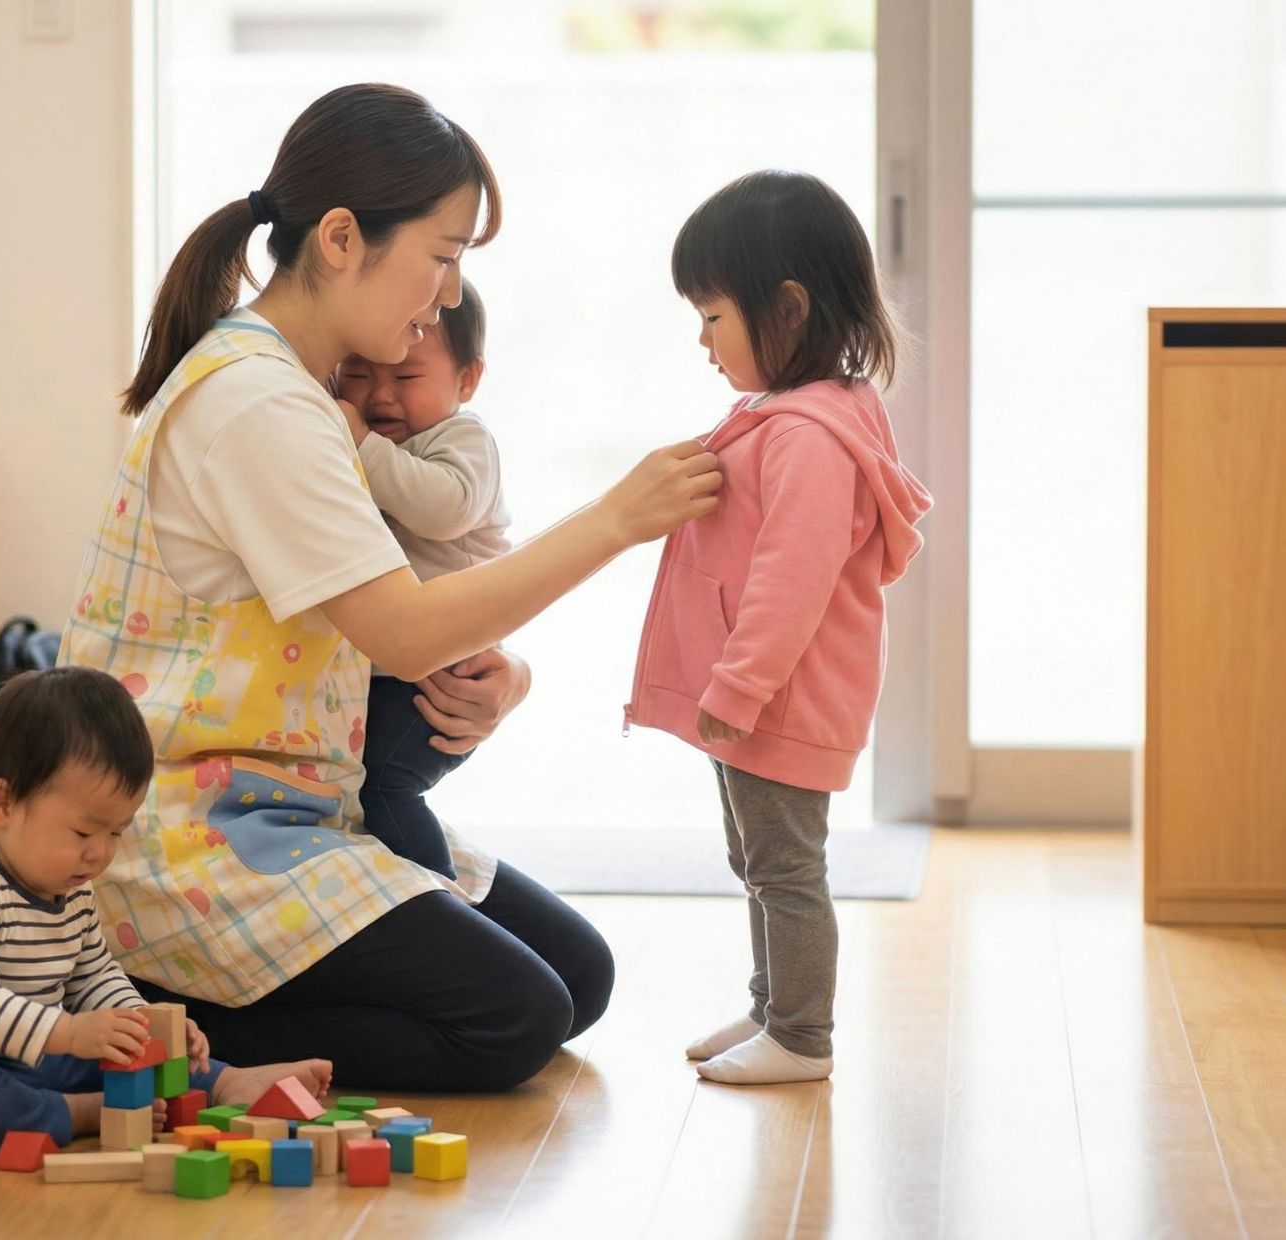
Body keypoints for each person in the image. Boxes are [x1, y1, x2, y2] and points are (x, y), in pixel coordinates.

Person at [62, 83, 722, 1091]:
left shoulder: (299, 391)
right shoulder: (259, 403)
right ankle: (164, 1026)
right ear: (340, 239)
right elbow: (404, 632)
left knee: (577, 979)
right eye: (443, 256)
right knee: (517, 1018)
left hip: (292, 804)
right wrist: (613, 520)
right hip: (196, 838)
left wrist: (506, 676)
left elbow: (393, 614)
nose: (447, 296)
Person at [626, 170, 932, 1085]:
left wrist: (738, 688)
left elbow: (789, 583)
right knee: (757, 858)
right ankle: (772, 1008)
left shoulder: (808, 437)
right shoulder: (789, 417)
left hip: (777, 701)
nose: (703, 341)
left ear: (788, 310)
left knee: (786, 870)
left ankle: (801, 1037)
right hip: (761, 697)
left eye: (713, 316)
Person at [0, 666, 331, 1153]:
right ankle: (77, 1113)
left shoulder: (70, 885)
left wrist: (142, 1022)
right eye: (84, 832)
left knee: (118, 1048)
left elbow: (92, 973)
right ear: (3, 802)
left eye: (116, 832)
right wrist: (69, 1032)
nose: (100, 853)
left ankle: (225, 1082)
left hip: (31, 1053)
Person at [331, 277, 508, 880]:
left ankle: (436, 900)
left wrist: (361, 443)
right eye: (358, 373)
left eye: (407, 376)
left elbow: (444, 509)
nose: (381, 394)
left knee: (382, 786)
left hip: (442, 677)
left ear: (467, 380)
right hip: (392, 669)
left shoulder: (463, 438)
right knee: (363, 790)